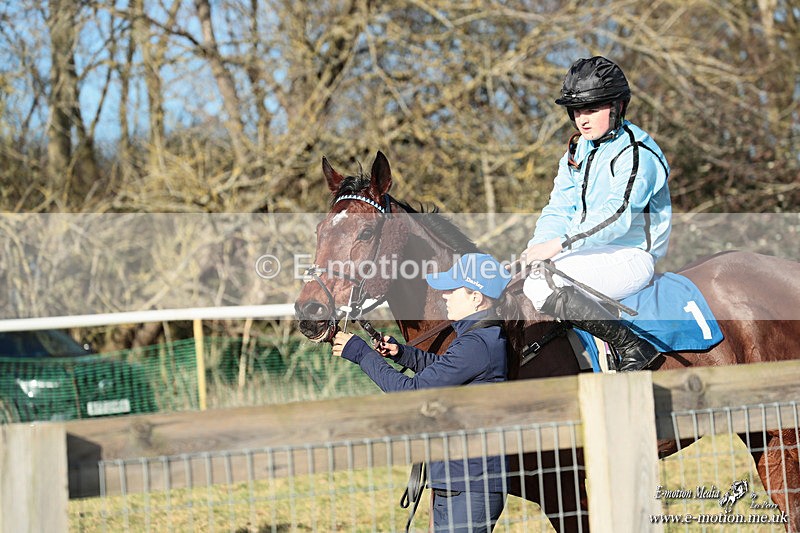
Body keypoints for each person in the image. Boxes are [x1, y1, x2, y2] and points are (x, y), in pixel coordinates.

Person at [332, 253, 511, 532]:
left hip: (468, 484)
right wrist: (403, 354)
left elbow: (413, 391)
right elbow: (448, 370)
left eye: (453, 289)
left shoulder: (476, 343)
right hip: (460, 481)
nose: (445, 296)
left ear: (476, 297)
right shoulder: (478, 338)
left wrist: (360, 353)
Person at [518, 56, 672, 372]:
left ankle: (634, 347)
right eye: (576, 111)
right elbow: (558, 207)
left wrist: (557, 245)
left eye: (591, 110)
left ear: (617, 107)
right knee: (527, 279)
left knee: (539, 286)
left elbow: (617, 215)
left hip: (631, 256)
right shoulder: (577, 150)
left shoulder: (637, 153)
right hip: (586, 251)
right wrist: (537, 248)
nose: (582, 120)